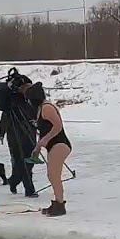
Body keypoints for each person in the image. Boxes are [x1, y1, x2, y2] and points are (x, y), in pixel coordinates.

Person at [0, 68, 39, 198]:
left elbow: (35, 110)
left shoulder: (28, 99)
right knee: (20, 160)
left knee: (30, 159)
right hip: (14, 131)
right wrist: (2, 133)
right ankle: (29, 189)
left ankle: (14, 180)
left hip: (29, 130)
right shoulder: (10, 99)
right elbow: (5, 115)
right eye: (24, 88)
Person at [30, 84, 72, 217]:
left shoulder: (47, 108)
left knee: (54, 175)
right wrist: (38, 147)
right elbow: (43, 131)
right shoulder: (41, 108)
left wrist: (44, 140)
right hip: (53, 145)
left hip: (59, 144)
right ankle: (57, 202)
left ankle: (60, 205)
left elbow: (58, 126)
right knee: (51, 175)